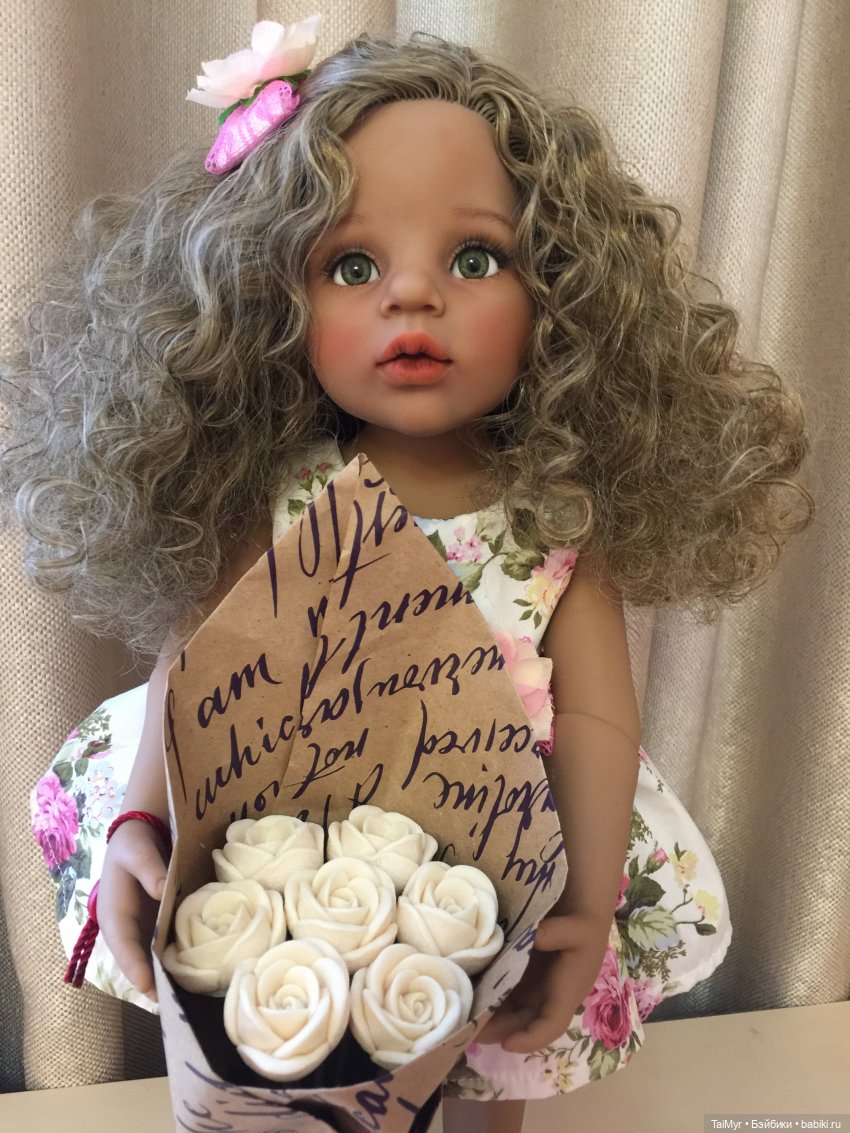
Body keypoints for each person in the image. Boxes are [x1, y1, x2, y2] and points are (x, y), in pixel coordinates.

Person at [4, 18, 812, 1133]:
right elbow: (196, 674)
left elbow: (595, 719)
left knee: (492, 1064)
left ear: (563, 296)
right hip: (289, 839)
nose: (413, 296)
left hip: (497, 848)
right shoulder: (277, 495)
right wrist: (145, 813)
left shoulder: (552, 518)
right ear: (265, 301)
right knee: (289, 1046)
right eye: (352, 265)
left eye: (475, 259)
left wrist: (583, 901)